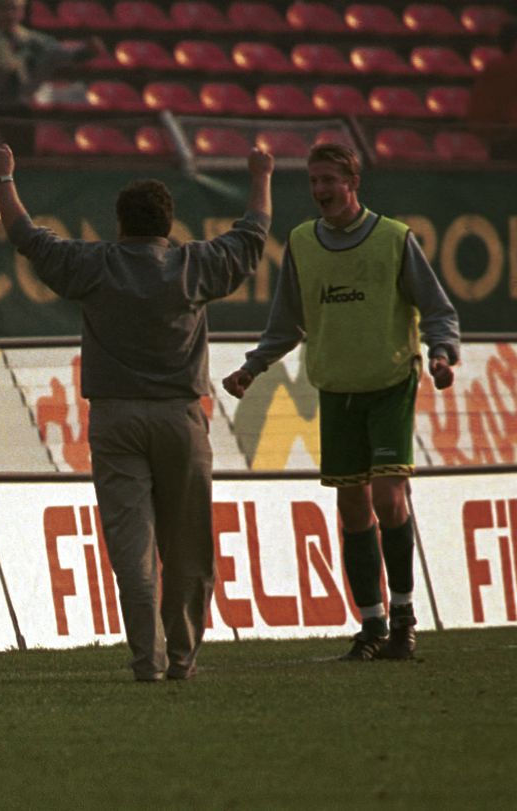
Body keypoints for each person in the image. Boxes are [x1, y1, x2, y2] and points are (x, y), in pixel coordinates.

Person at [0, 143, 275, 682]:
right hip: (181, 418)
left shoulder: (96, 266)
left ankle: (147, 658)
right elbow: (253, 235)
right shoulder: (194, 266)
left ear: (120, 224)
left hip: (116, 419)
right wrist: (260, 174)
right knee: (187, 548)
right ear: (170, 224)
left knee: (132, 545)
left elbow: (27, 237)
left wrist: (4, 178)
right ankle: (184, 658)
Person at [222, 143, 460, 662]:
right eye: (313, 182)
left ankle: (404, 619)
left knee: (387, 498)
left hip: (390, 382)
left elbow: (437, 309)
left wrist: (442, 352)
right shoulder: (303, 243)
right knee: (351, 507)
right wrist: (252, 368)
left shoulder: (395, 239)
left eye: (328, 180)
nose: (320, 191)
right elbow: (286, 324)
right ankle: (371, 626)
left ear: (353, 182)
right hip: (336, 389)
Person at [0, 0, 104, 155]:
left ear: (21, 11)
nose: (8, 14)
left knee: (22, 159)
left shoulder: (36, 42)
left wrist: (88, 51)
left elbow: (65, 56)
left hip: (22, 113)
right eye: (3, 9)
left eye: (13, 8)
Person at [466, 20, 517, 161]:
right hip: (508, 142)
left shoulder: (494, 68)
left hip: (503, 140)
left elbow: (478, 113)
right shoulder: (499, 69)